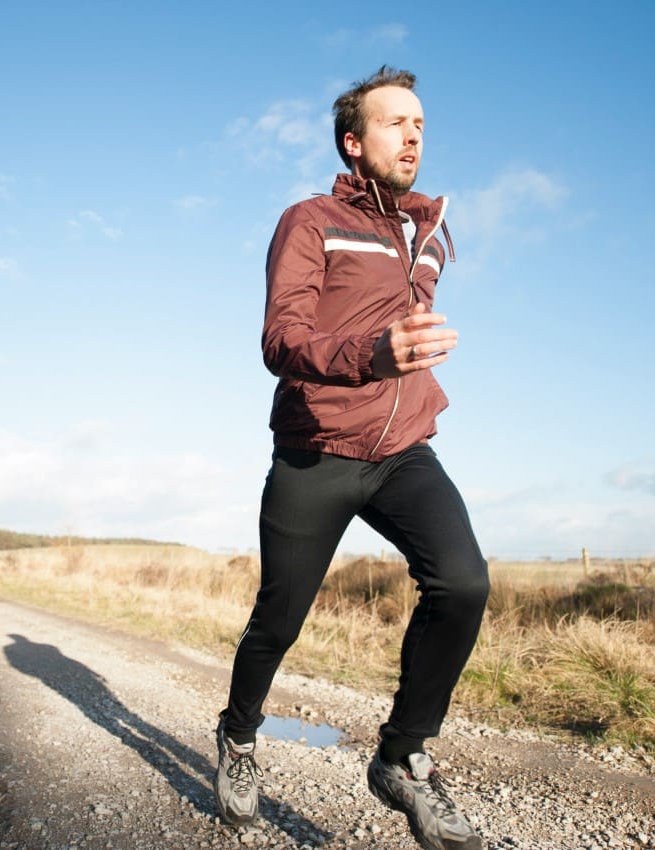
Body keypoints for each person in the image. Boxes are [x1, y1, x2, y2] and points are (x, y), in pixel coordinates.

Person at [213, 66, 490, 850]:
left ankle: (402, 757)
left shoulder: (430, 234)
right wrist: (374, 352)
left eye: (422, 124)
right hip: (318, 448)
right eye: (395, 122)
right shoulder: (310, 221)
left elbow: (411, 318)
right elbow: (282, 339)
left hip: (404, 447)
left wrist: (409, 344)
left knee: (464, 583)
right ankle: (238, 734)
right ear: (353, 140)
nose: (413, 135)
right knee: (280, 617)